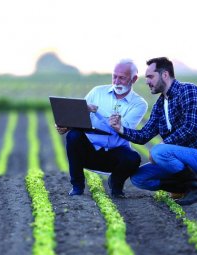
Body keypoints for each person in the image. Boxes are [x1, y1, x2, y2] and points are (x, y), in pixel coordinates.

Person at [109, 57, 197, 205]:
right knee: (139, 178)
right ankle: (184, 188)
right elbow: (144, 135)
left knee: (159, 151)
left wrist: (162, 146)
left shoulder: (189, 91)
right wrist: (120, 128)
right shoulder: (160, 104)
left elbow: (190, 127)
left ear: (165, 75)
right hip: (181, 161)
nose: (147, 81)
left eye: (150, 76)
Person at [56, 59, 148, 198]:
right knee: (73, 135)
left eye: (122, 78)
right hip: (90, 151)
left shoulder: (139, 104)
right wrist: (66, 125)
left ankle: (116, 185)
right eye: (114, 76)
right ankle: (77, 186)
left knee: (133, 158)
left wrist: (97, 111)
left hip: (115, 154)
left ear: (134, 79)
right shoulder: (97, 92)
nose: (116, 81)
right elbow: (80, 117)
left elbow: (124, 129)